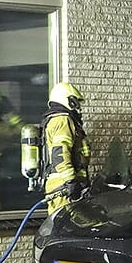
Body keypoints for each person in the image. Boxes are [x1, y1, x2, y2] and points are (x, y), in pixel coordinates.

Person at [42, 82, 90, 213]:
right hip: (63, 186)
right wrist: (70, 181)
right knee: (62, 226)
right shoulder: (63, 120)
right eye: (75, 102)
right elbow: (60, 154)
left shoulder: (61, 119)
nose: (77, 107)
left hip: (65, 184)